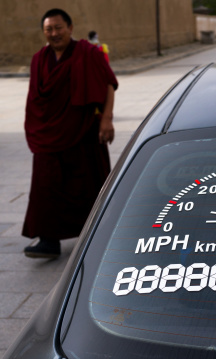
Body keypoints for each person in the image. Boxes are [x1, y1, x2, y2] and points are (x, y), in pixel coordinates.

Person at [22, 8, 118, 259]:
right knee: (46, 185)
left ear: (70, 28)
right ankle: (48, 240)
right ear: (44, 32)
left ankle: (95, 235)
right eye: (48, 29)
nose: (54, 33)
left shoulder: (88, 54)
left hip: (84, 131)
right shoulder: (38, 59)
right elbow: (35, 98)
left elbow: (108, 84)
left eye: (58, 28)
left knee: (87, 185)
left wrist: (106, 119)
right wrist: (36, 127)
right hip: (49, 133)